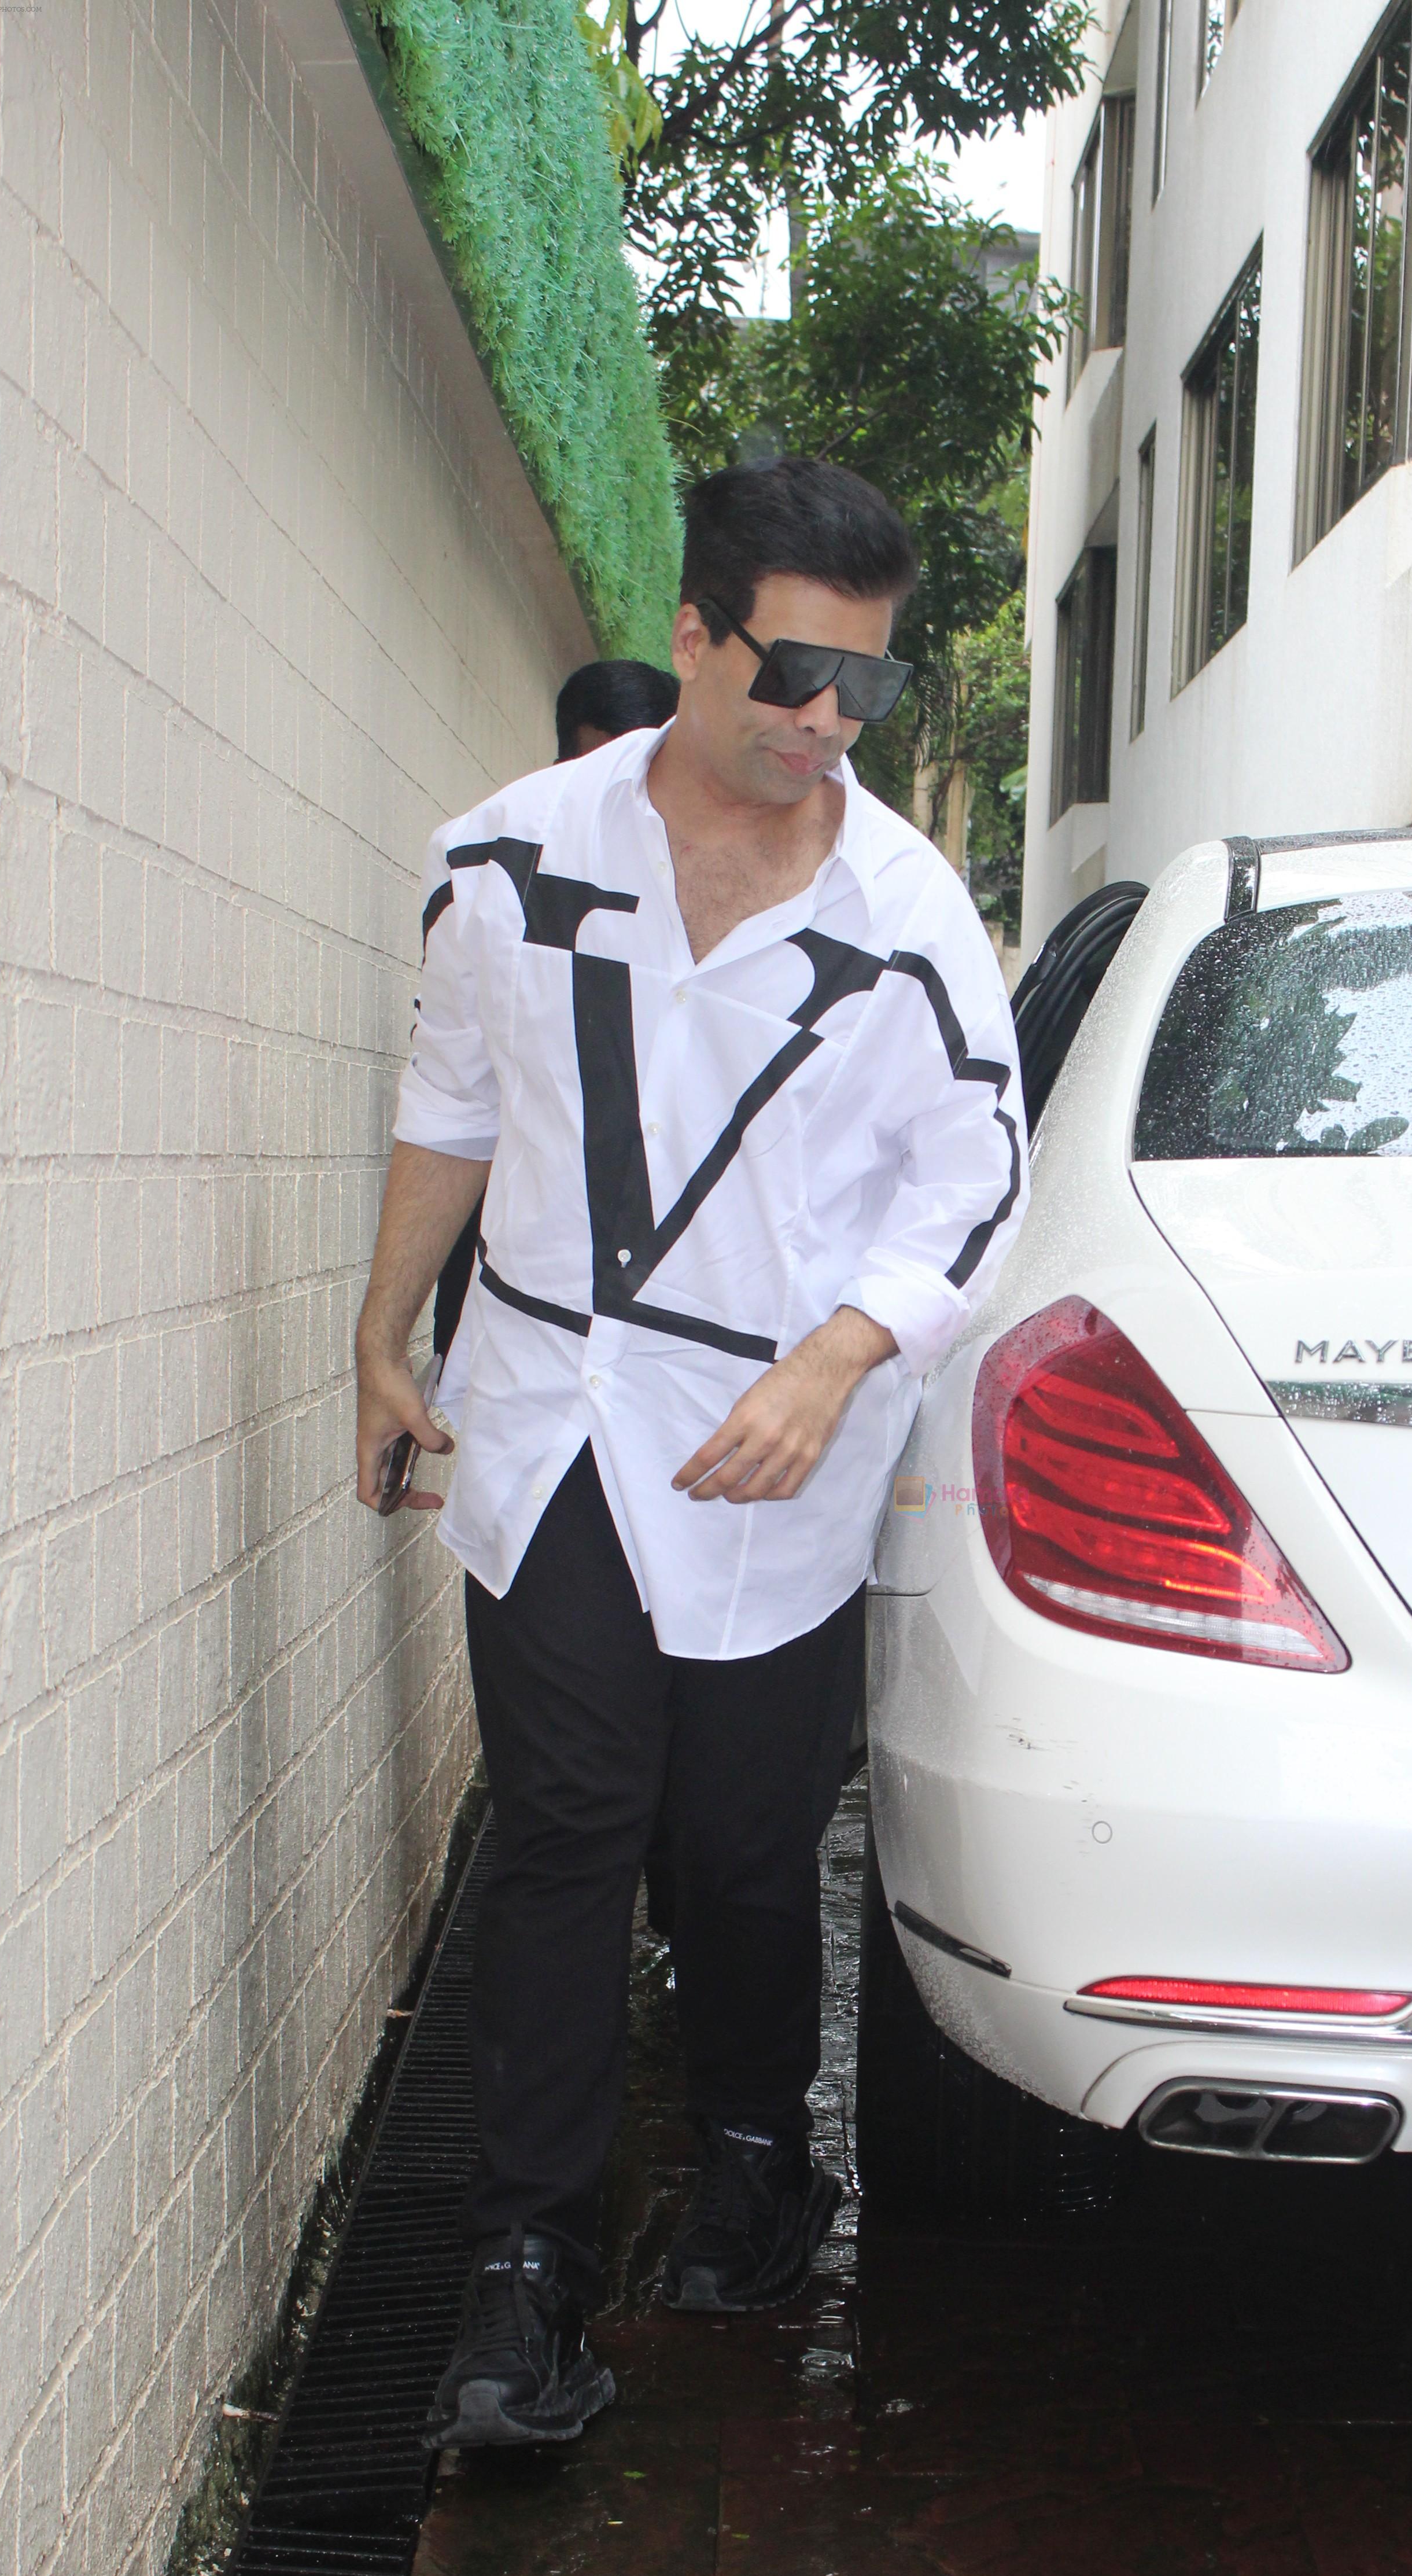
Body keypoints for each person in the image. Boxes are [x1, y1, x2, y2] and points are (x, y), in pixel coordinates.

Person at [352, 458, 1028, 2448]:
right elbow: (451, 1101)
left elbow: (975, 1179)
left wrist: (838, 1359)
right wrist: (383, 1332)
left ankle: (753, 2143)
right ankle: (526, 2266)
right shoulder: (506, 859)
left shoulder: (905, 916)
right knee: (568, 1822)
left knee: (738, 1851)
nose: (827, 724)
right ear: (696, 637)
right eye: (796, 673)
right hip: (552, 1407)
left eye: (867, 692)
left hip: (774, 1444)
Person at [429, 657, 683, 1372]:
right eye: (595, 758)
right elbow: (457, 1093)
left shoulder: (706, 898)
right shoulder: (509, 872)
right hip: (518, 1187)